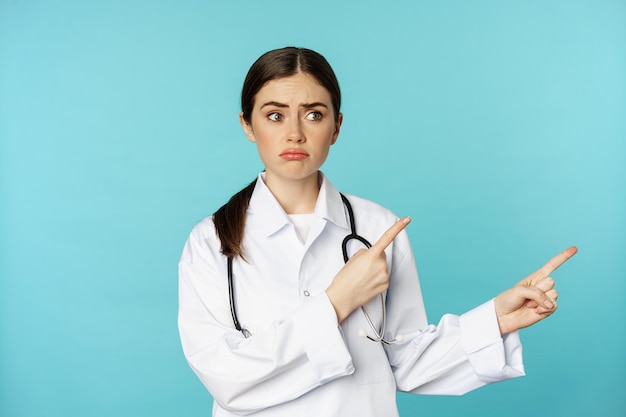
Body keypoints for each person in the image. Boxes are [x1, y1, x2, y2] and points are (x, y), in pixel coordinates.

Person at [178, 46, 577, 417]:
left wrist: (496, 320)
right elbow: (225, 377)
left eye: (314, 114)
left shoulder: (377, 228)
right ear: (247, 124)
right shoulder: (210, 241)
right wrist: (336, 301)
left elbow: (407, 360)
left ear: (336, 127)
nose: (295, 132)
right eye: (275, 115)